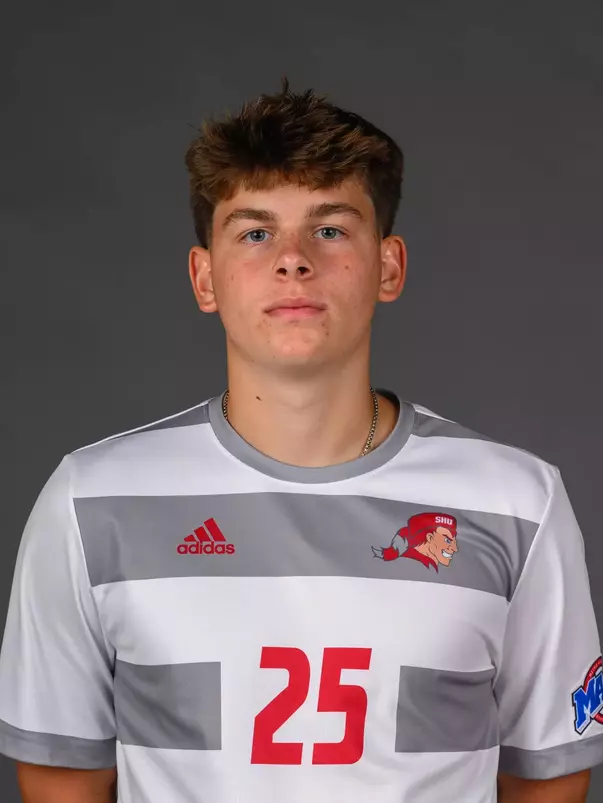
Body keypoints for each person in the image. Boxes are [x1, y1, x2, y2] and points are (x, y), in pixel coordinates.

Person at [0, 79, 601, 803]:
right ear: (204, 277)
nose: (292, 259)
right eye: (255, 232)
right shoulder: (89, 500)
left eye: (330, 228)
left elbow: (549, 776)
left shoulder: (516, 501)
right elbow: (63, 776)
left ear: (388, 266)